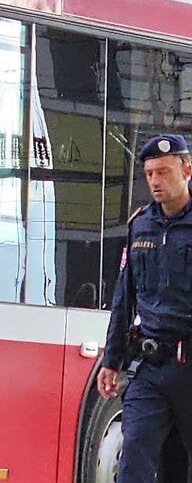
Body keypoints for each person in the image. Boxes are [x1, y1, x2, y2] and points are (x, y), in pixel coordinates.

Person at [98, 134, 192, 482]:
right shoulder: (141, 224)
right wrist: (111, 360)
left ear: (186, 170)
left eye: (164, 172)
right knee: (133, 457)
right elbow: (125, 295)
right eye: (149, 173)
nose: (154, 181)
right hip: (150, 367)